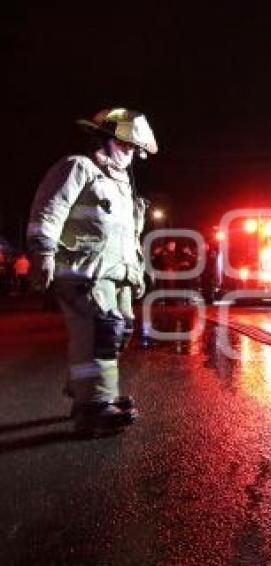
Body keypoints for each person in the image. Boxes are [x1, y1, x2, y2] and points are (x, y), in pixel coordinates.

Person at [27, 108, 157, 436]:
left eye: (135, 149)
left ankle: (93, 393)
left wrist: (136, 274)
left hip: (116, 274)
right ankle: (93, 408)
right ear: (104, 139)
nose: (131, 154)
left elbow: (127, 236)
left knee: (119, 330)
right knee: (102, 331)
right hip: (83, 271)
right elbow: (49, 209)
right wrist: (42, 252)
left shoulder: (122, 186)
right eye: (125, 146)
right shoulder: (78, 168)